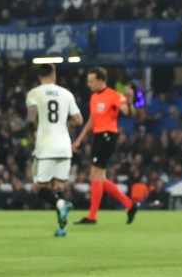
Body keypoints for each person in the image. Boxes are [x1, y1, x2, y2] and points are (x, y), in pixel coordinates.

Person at [72, 67, 139, 224]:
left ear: (101, 81)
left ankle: (92, 216)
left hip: (108, 136)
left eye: (91, 81)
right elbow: (91, 120)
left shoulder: (114, 95)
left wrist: (129, 102)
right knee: (100, 178)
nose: (89, 84)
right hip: (98, 137)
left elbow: (128, 112)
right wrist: (79, 139)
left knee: (95, 174)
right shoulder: (94, 97)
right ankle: (130, 205)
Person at [26, 63, 83, 237]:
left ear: (38, 76)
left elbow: (31, 117)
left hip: (45, 145)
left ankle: (60, 205)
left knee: (38, 188)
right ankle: (62, 227)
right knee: (58, 188)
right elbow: (79, 119)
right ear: (54, 74)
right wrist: (67, 125)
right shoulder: (66, 93)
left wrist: (32, 134)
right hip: (64, 145)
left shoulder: (35, 93)